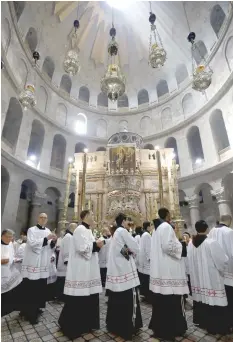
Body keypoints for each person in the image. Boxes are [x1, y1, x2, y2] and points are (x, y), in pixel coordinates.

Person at [58, 210, 104, 340]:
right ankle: (73, 326)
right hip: (80, 270)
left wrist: (96, 245)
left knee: (89, 296)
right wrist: (97, 245)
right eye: (92, 215)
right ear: (86, 217)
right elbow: (82, 248)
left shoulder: (88, 230)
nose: (94, 217)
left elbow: (89, 247)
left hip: (89, 270)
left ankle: (87, 324)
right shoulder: (79, 229)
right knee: (79, 298)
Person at [149, 207, 188, 340]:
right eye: (170, 214)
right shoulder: (166, 227)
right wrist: (182, 246)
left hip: (161, 271)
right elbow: (168, 246)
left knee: (161, 303)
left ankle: (160, 328)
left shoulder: (156, 229)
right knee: (170, 302)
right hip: (168, 272)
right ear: (167, 215)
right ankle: (170, 329)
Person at [188, 220, 230, 335]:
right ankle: (217, 326)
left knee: (202, 299)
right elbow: (222, 260)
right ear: (206, 229)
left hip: (198, 279)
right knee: (214, 300)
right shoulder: (211, 242)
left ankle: (202, 322)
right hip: (211, 279)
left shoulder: (191, 243)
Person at [106, 213, 143, 340]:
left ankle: (115, 325)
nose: (129, 223)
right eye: (128, 220)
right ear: (123, 221)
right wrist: (132, 252)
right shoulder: (123, 231)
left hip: (118, 271)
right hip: (125, 271)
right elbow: (136, 247)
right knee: (129, 297)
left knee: (118, 297)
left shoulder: (116, 232)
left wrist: (128, 251)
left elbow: (121, 249)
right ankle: (129, 326)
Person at [21, 213, 57, 324]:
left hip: (43, 263)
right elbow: (32, 244)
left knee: (40, 289)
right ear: (38, 218)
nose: (43, 219)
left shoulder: (48, 231)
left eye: (45, 218)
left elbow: (50, 247)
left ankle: (37, 308)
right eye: (41, 217)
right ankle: (31, 313)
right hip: (34, 263)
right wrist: (47, 238)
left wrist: (54, 241)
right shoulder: (31, 230)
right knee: (32, 289)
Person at [208, 214, 233, 328]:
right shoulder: (229, 231)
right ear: (230, 221)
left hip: (216, 269)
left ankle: (221, 319)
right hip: (229, 268)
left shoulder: (212, 231)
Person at [1, 229, 23, 317]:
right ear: (2, 236)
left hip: (8, 270)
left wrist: (15, 260)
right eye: (8, 237)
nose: (10, 239)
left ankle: (6, 309)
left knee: (9, 289)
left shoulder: (10, 244)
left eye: (11, 237)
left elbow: (12, 255)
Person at [56, 223, 77, 301]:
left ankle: (62, 296)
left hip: (66, 263)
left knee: (63, 280)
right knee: (62, 281)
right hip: (65, 263)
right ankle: (61, 297)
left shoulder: (69, 236)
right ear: (72, 228)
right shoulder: (68, 237)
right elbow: (67, 250)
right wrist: (67, 261)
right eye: (76, 228)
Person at [138, 221, 153, 303]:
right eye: (150, 226)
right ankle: (148, 297)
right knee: (147, 279)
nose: (151, 227)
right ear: (147, 227)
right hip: (147, 261)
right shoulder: (147, 235)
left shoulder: (144, 234)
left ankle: (144, 295)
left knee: (144, 278)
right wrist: (150, 259)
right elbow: (148, 249)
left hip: (143, 261)